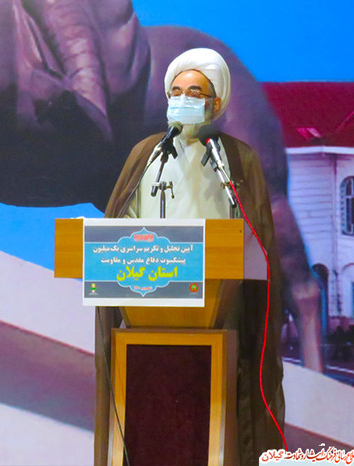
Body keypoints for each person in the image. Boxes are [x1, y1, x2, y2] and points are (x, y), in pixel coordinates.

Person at [95, 48, 285, 465]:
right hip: (146, 311)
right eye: (176, 92)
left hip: (217, 309)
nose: (182, 100)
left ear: (215, 103)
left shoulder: (235, 159)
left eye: (194, 92)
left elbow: (254, 235)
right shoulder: (146, 154)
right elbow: (117, 229)